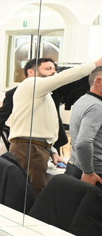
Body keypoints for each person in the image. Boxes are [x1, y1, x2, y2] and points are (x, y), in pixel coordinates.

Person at [7, 56, 101, 196]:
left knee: (36, 191)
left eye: (54, 69)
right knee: (34, 194)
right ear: (31, 72)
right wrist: (96, 64)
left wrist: (52, 150)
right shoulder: (30, 84)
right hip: (29, 149)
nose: (54, 72)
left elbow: (41, 125)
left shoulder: (43, 94)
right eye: (48, 69)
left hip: (37, 148)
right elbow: (64, 77)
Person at [68, 66, 102, 184]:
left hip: (77, 166)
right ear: (99, 81)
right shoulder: (96, 106)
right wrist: (89, 172)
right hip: (93, 173)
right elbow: (83, 143)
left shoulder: (83, 100)